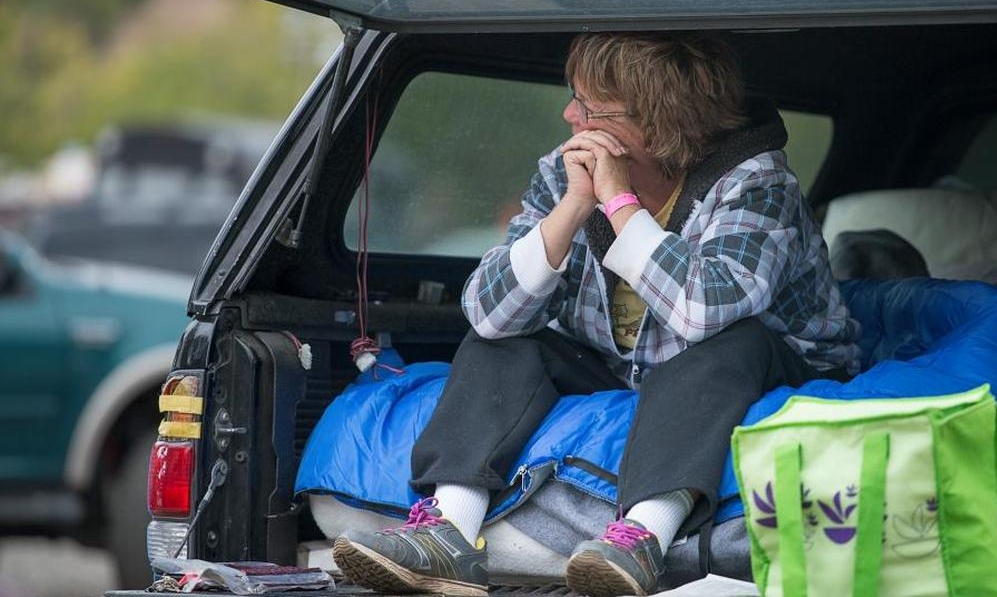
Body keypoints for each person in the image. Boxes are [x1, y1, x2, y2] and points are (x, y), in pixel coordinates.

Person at [332, 33, 861, 597]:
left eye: (588, 107)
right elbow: (486, 313)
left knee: (734, 337)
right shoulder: (565, 171)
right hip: (629, 366)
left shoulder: (757, 184)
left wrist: (619, 202)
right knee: (507, 337)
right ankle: (447, 533)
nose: (569, 115)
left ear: (658, 123)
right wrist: (576, 206)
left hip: (763, 368)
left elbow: (706, 311)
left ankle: (641, 539)